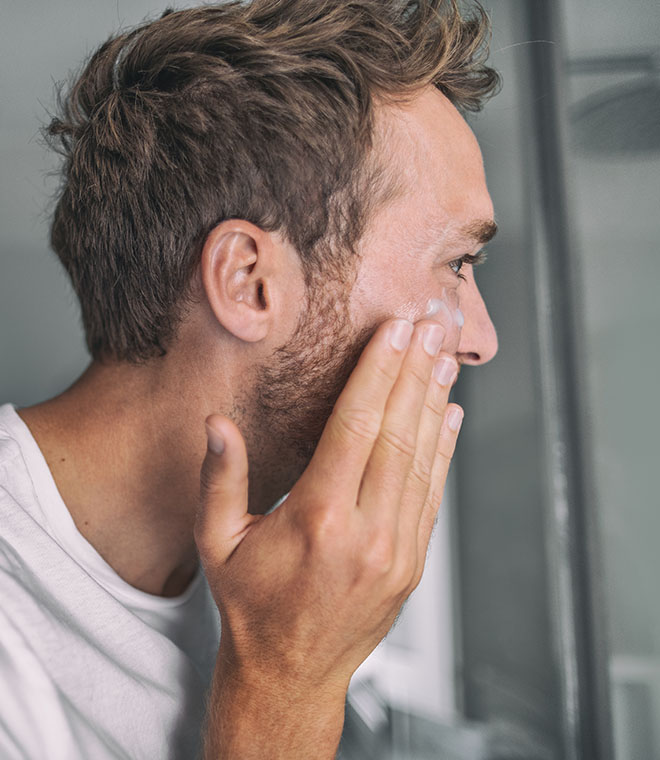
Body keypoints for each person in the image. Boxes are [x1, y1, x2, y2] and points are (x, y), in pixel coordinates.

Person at [0, 0, 501, 757]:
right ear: (249, 283)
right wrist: (283, 691)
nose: (484, 342)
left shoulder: (293, 576)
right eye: (456, 264)